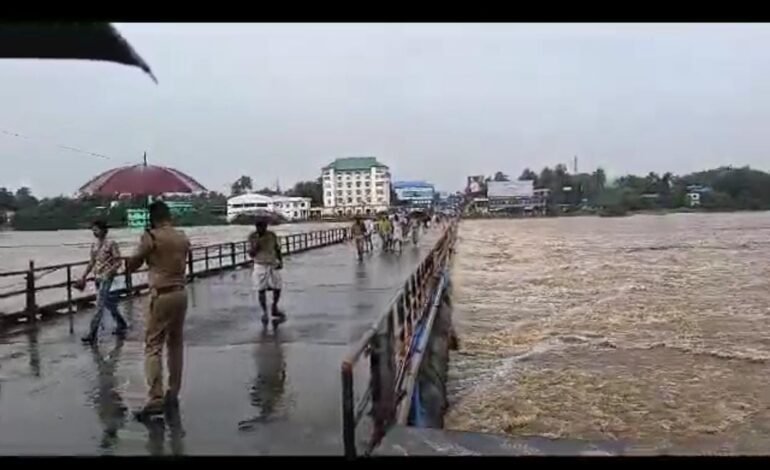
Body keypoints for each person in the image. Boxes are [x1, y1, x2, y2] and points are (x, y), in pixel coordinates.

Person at [126, 201, 191, 419]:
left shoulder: (151, 237)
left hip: (161, 294)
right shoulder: (182, 236)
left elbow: (131, 265)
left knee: (153, 345)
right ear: (168, 216)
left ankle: (155, 398)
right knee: (175, 344)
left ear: (152, 217)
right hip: (181, 292)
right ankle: (173, 392)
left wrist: (145, 241)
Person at [77, 220, 128, 344]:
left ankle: (92, 333)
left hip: (107, 278)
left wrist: (110, 271)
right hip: (98, 277)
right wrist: (84, 275)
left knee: (99, 305)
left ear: (104, 230)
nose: (94, 232)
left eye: (96, 229)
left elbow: (118, 261)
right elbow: (92, 262)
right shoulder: (94, 245)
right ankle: (121, 323)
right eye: (93, 230)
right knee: (109, 303)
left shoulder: (111, 244)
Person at [248, 218, 286, 327]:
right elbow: (251, 253)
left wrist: (280, 260)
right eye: (259, 227)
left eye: (263, 226)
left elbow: (277, 248)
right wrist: (256, 246)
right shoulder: (253, 237)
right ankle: (264, 311)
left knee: (278, 286)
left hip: (273, 263)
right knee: (261, 289)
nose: (261, 229)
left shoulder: (271, 235)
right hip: (260, 264)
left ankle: (274, 306)